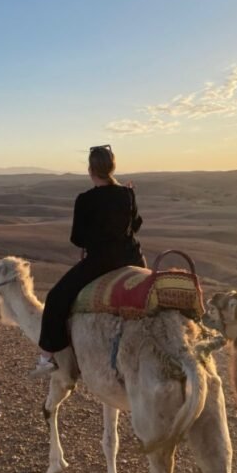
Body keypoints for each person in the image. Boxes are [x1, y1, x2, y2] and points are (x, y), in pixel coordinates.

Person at [35, 145, 145, 374]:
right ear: (112, 167)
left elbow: (77, 238)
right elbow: (135, 226)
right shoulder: (127, 193)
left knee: (56, 297)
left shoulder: (85, 199)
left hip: (102, 262)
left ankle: (47, 356)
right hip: (133, 258)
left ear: (90, 169)